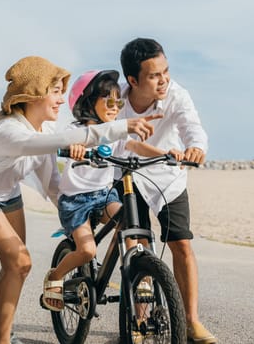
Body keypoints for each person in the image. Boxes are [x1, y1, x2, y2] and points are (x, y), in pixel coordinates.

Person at [0, 56, 160, 344]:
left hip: (9, 194)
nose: (60, 99)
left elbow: (52, 183)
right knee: (19, 262)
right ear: (34, 94)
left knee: (17, 266)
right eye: (55, 91)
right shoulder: (7, 131)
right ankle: (1, 340)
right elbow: (64, 141)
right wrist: (122, 126)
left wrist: (73, 216)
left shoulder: (44, 130)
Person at [42, 69, 183, 312]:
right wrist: (75, 148)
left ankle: (140, 274)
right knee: (86, 250)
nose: (115, 106)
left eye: (119, 101)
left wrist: (165, 153)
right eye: (109, 100)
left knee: (129, 223)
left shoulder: (115, 131)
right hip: (75, 201)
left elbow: (134, 145)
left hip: (103, 196)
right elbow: (71, 140)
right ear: (88, 101)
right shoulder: (77, 131)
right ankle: (55, 275)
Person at [114, 38, 217, 344]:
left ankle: (191, 321)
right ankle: (139, 320)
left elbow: (191, 126)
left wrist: (195, 148)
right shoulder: (115, 101)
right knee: (136, 248)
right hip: (128, 174)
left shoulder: (176, 95)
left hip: (168, 175)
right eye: (154, 75)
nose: (164, 79)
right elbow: (120, 142)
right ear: (132, 80)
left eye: (166, 71)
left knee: (181, 244)